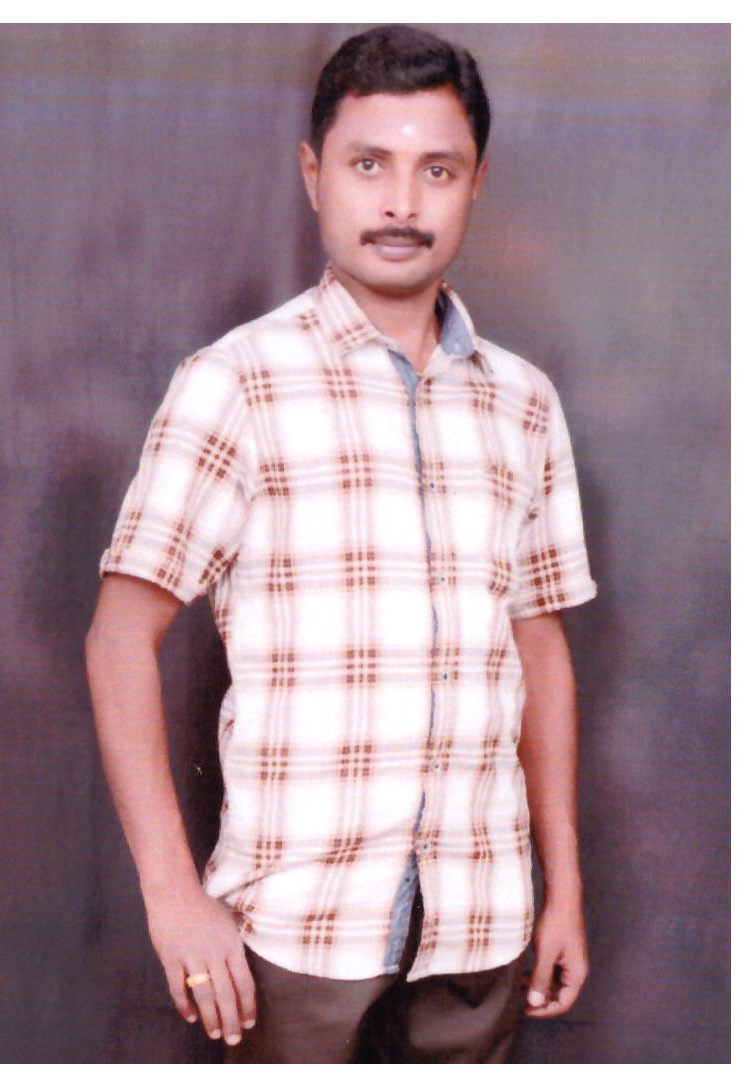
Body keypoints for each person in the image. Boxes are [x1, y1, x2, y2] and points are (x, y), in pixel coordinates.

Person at [85, 24, 598, 1064]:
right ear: (314, 174)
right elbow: (118, 638)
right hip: (297, 934)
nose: (402, 201)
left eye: (436, 169)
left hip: (482, 926)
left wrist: (565, 886)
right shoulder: (236, 382)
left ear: (476, 183)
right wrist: (171, 895)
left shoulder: (524, 403)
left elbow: (537, 646)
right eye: (369, 165)